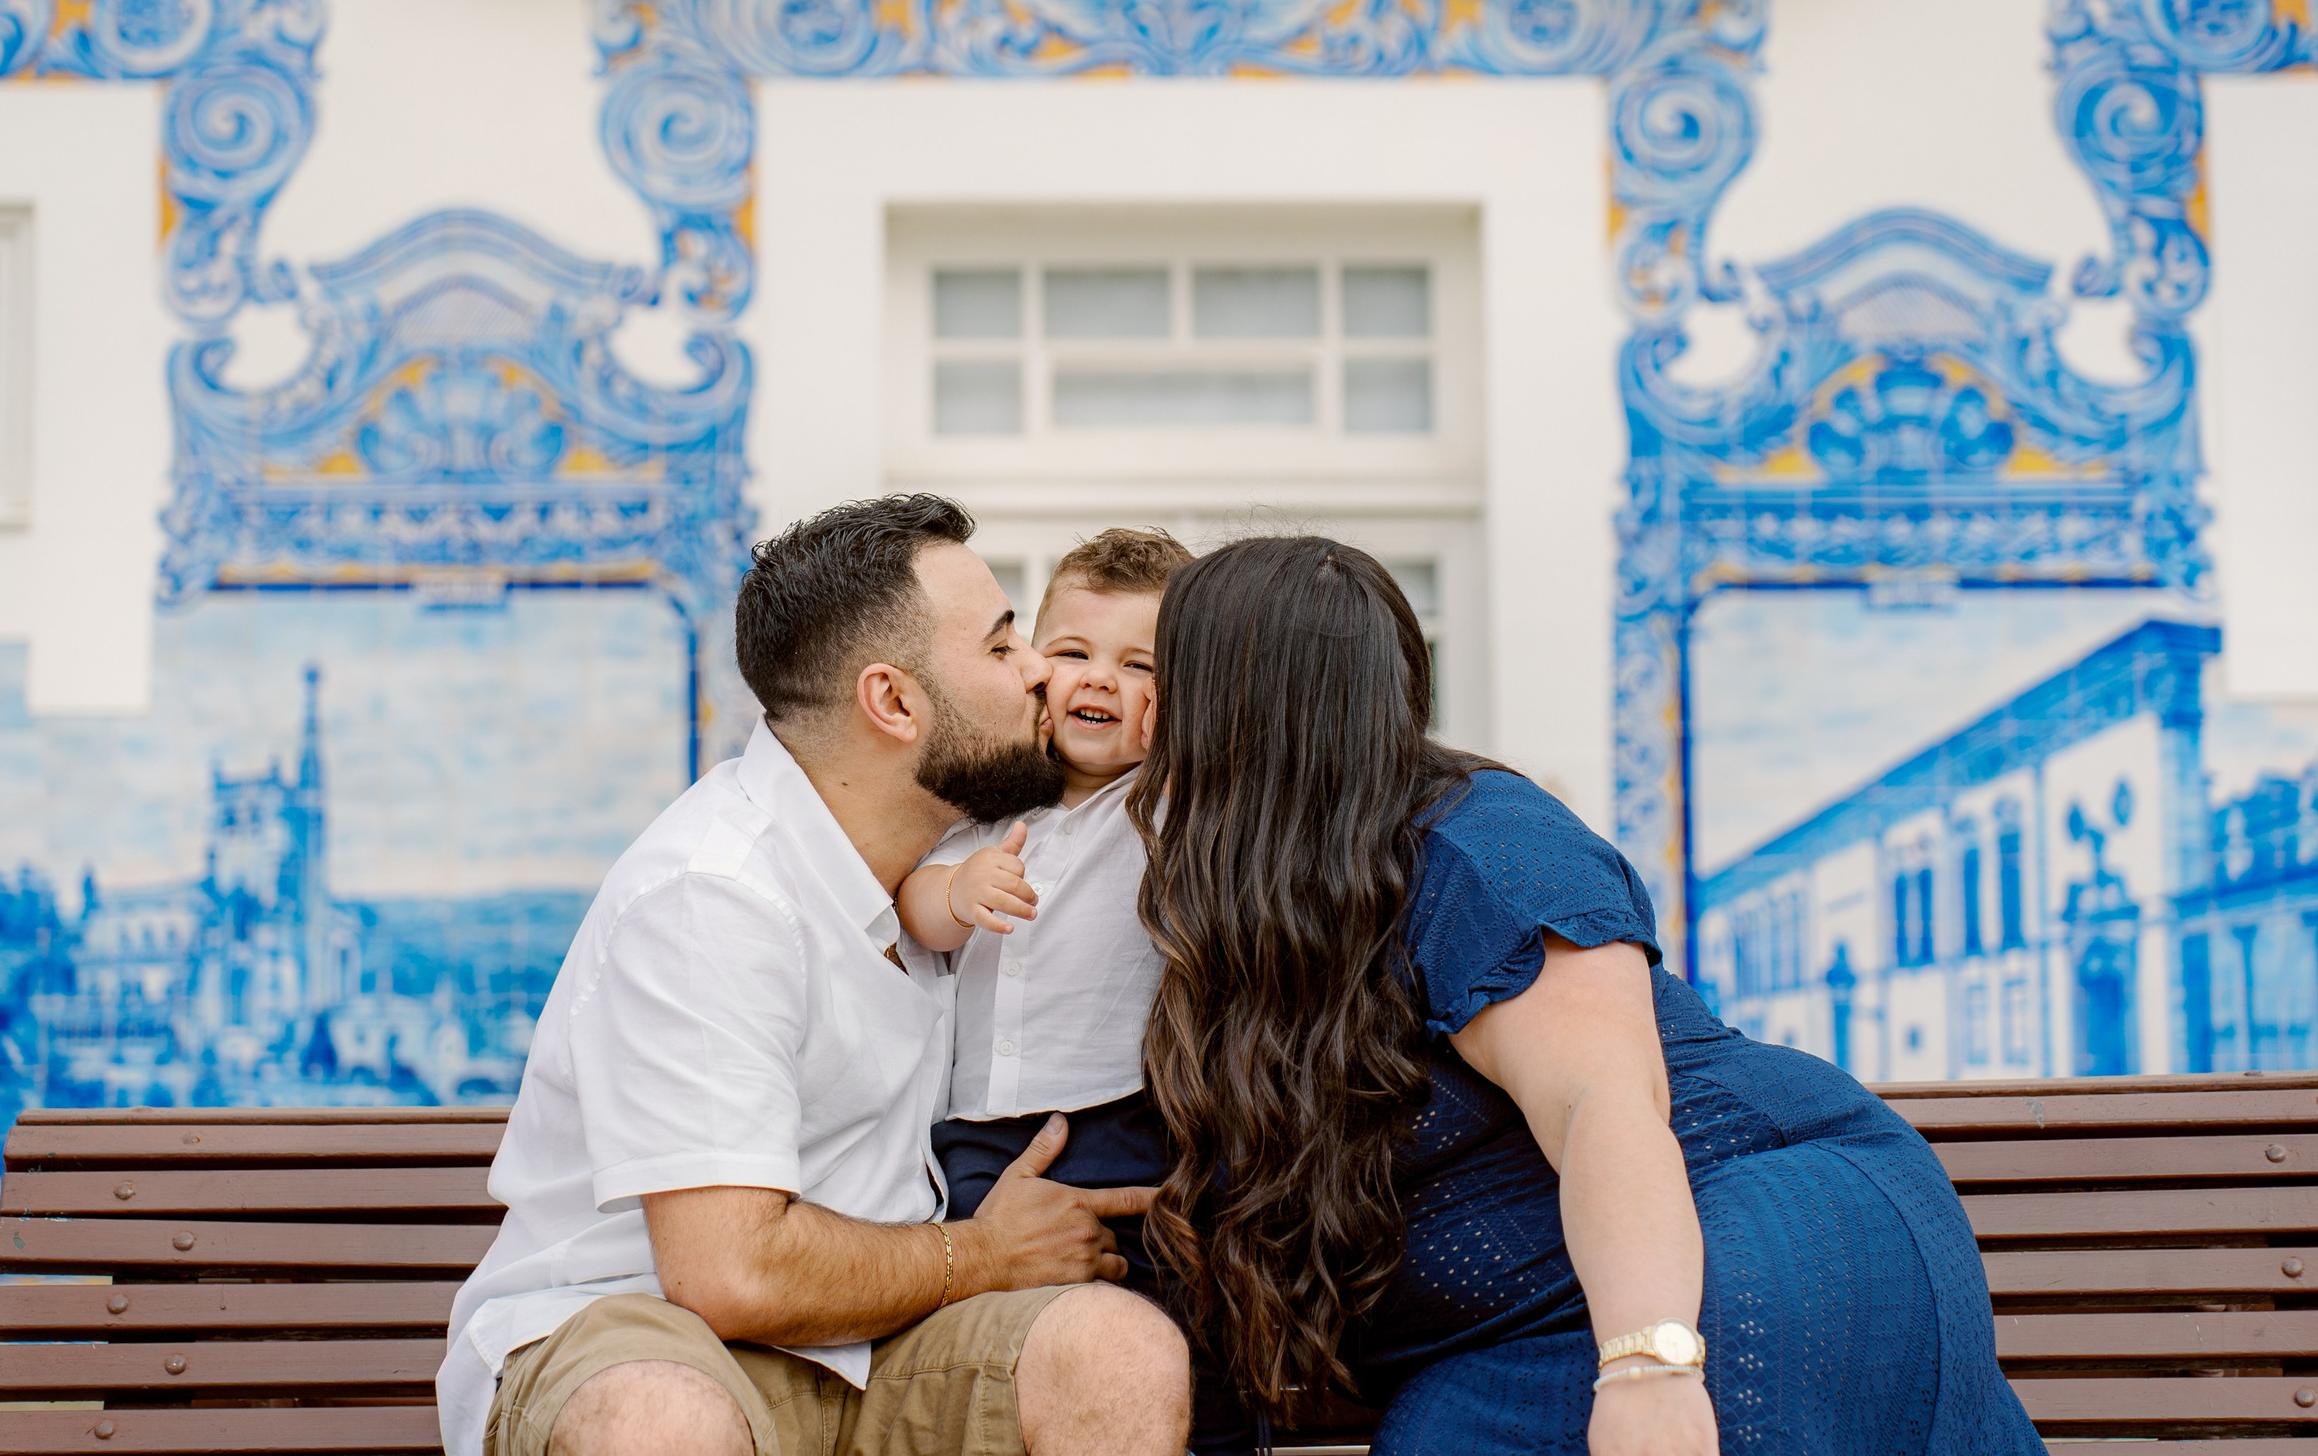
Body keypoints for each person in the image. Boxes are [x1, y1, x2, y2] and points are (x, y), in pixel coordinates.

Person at [1132, 537, 2043, 1456]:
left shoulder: (1481, 846)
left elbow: (1601, 1100)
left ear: (1236, 710)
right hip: (1539, 1320)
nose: (1147, 706)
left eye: (1162, 675)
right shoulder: (1253, 901)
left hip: (1745, 1219)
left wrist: (1650, 1365)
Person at [435, 495, 1190, 1456]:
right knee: (662, 1419)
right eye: (1004, 645)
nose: (1043, 669)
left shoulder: (942, 863)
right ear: (894, 702)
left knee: (1116, 1353)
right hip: (645, 1332)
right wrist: (986, 1251)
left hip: (877, 1346)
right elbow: (731, 1274)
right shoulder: (713, 895)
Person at [892, 527, 1247, 1454]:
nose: (1101, 680)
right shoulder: (989, 805)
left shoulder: (1169, 807)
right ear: (1032, 670)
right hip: (974, 1133)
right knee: (988, 1321)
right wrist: (956, 894)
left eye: (1140, 666)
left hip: (1123, 1123)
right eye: (1076, 653)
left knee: (1159, 1313)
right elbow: (915, 907)